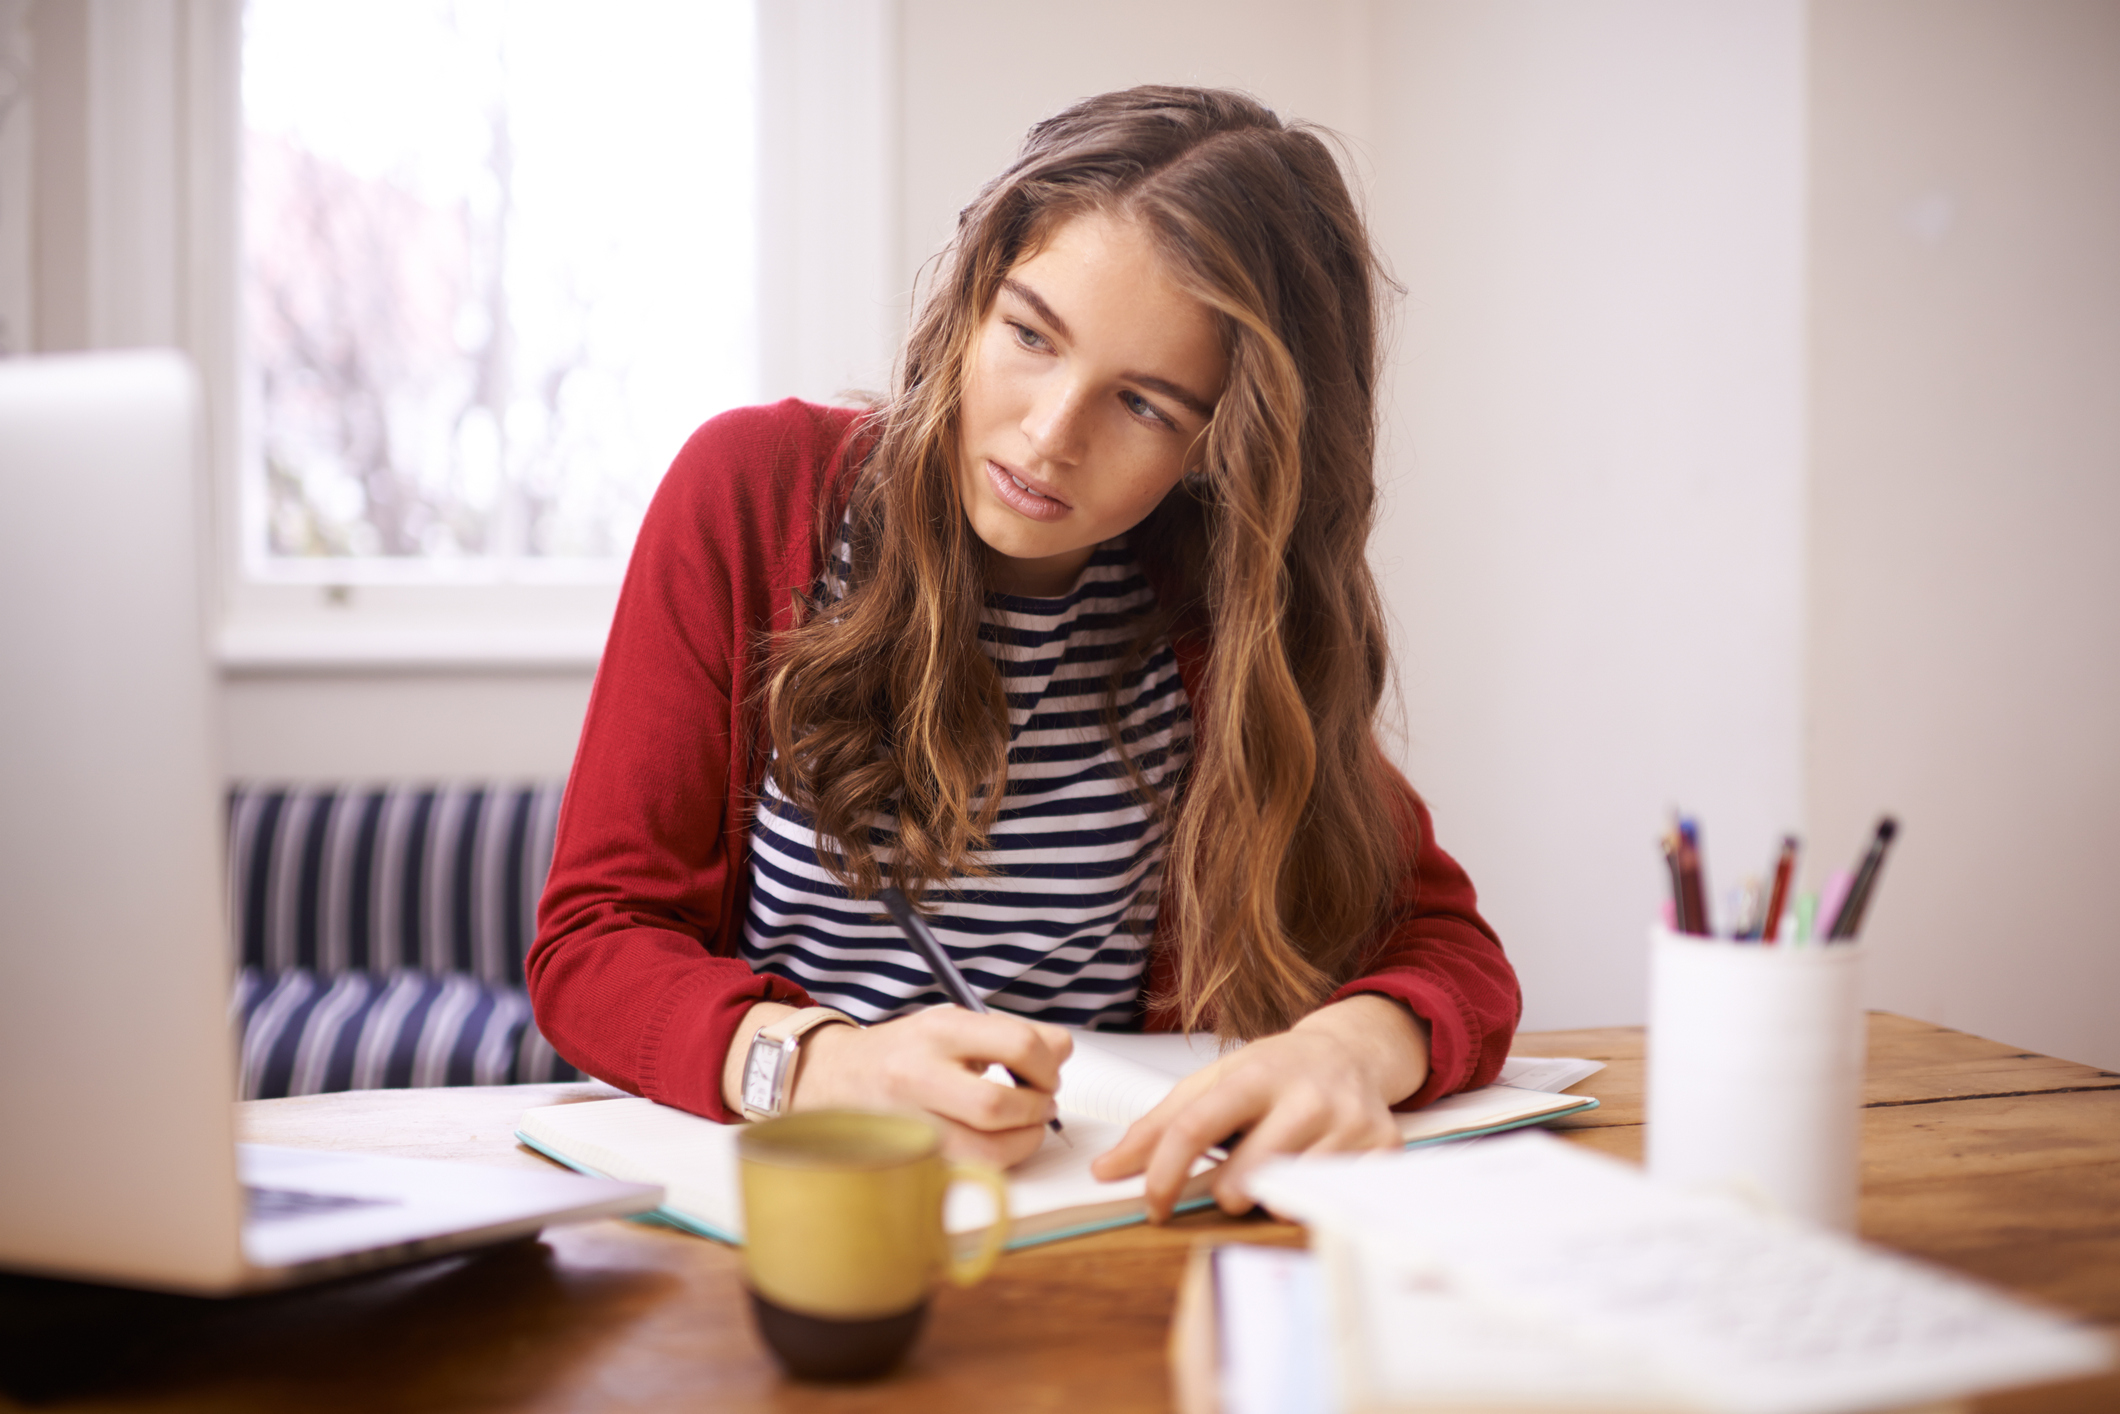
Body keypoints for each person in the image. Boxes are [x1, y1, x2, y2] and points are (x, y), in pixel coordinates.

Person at [528, 86, 1519, 1221]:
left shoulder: (1219, 622)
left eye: (1143, 403)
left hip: (1094, 1226)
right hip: (784, 1218)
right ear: (973, 296)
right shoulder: (754, 493)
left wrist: (1348, 1049)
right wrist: (820, 1067)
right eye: (1030, 334)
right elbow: (592, 945)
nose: (1050, 435)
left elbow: (1451, 951)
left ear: (1223, 444)